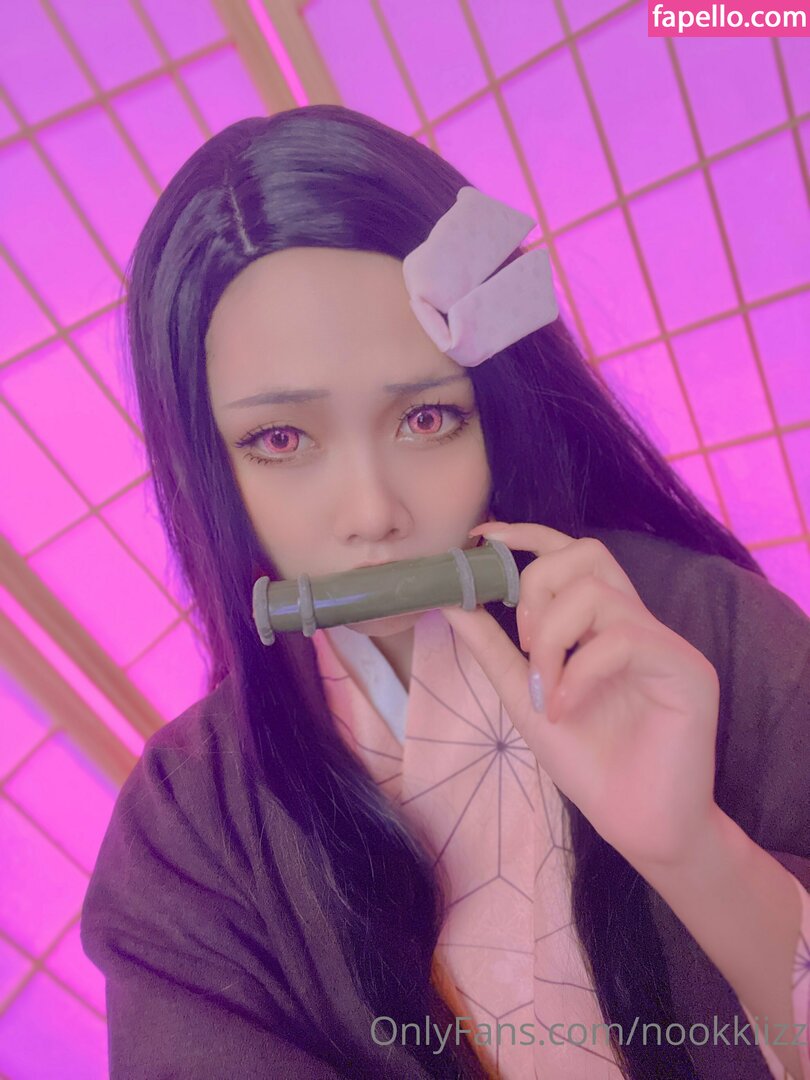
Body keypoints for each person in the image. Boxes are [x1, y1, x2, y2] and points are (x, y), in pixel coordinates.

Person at [80, 104, 810, 1080]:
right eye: (281, 440)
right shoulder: (187, 831)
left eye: (425, 417)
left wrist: (695, 851)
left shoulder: (705, 628)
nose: (372, 512)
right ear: (210, 467)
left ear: (495, 409)